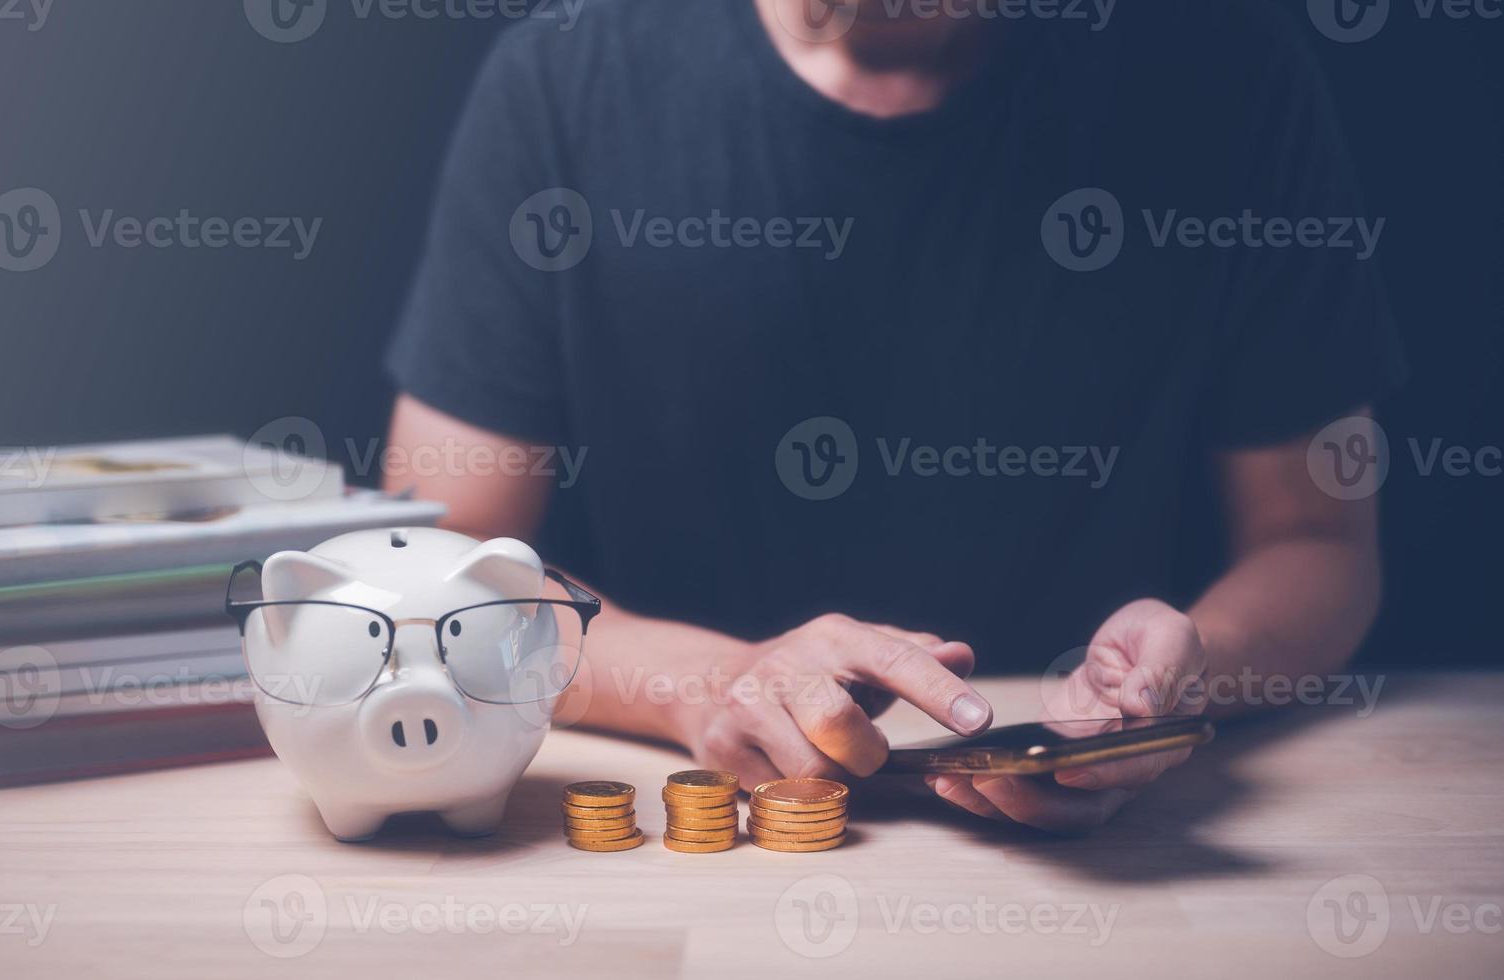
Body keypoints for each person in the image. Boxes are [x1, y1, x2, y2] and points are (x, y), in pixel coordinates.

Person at [381, 0, 1405, 833]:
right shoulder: (563, 80)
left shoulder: (1225, 69)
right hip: (717, 829)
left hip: (1125, 852)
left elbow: (1315, 539)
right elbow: (436, 565)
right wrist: (709, 682)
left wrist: (1180, 680)